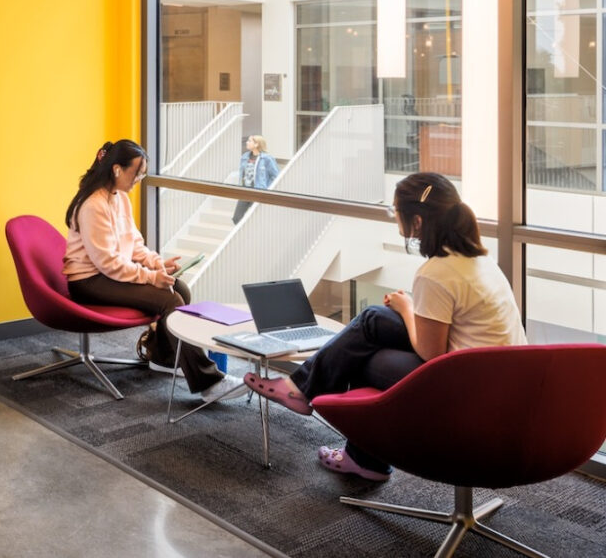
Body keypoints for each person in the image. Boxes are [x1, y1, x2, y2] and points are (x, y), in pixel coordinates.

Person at [244, 172, 527, 481]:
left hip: (467, 389)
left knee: (365, 359)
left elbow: (432, 353)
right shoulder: (479, 260)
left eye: (396, 212)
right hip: (505, 383)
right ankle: (305, 393)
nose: (395, 220)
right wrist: (409, 309)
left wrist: (407, 309)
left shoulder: (436, 272)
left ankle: (364, 459)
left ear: (417, 222)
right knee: (373, 319)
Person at [63, 140, 247, 402]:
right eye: (136, 172)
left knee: (179, 287)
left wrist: (158, 264)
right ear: (117, 169)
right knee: (169, 299)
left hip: (107, 274)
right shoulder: (94, 205)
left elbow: (134, 245)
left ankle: (164, 357)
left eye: (143, 173)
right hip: (89, 281)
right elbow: (108, 263)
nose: (140, 178)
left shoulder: (120, 199)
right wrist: (150, 277)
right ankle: (208, 382)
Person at [232, 135, 280, 224]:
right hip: (245, 192)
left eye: (249, 141)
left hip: (258, 193)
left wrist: (266, 188)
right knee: (236, 218)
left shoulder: (267, 158)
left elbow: (276, 176)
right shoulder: (245, 156)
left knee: (256, 220)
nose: (247, 142)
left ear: (257, 144)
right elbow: (242, 174)